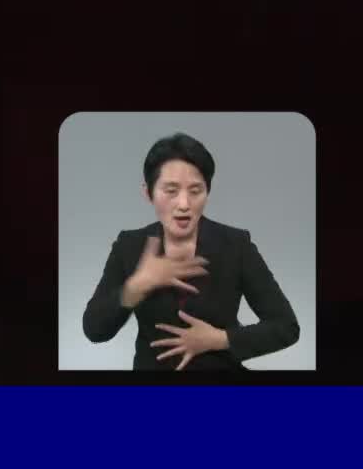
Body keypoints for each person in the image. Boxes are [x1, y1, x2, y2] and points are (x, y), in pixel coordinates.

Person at [81, 133, 301, 371]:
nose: (184, 204)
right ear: (148, 193)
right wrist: (139, 284)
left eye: (195, 191)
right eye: (171, 191)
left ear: (207, 191)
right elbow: (94, 329)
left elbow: (286, 326)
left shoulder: (236, 246)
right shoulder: (129, 246)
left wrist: (219, 339)